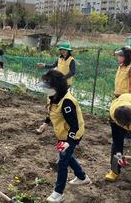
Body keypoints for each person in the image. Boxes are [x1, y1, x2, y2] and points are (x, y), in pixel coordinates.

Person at [37, 70, 90, 203]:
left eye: (48, 88)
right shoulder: (52, 97)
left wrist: (69, 141)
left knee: (62, 162)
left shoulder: (67, 103)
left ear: (57, 87)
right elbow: (51, 111)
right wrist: (45, 123)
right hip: (62, 133)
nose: (45, 90)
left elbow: (75, 125)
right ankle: (82, 177)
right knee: (67, 156)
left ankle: (58, 193)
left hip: (73, 134)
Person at [36, 42, 76, 134]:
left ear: (68, 51)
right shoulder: (59, 58)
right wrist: (44, 65)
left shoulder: (71, 60)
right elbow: (54, 66)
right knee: (54, 103)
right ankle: (46, 124)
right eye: (61, 50)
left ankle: (46, 124)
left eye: (64, 50)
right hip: (57, 83)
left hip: (65, 84)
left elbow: (73, 72)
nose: (63, 52)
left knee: (55, 103)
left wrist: (63, 78)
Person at [114, 46, 131, 146]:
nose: (118, 57)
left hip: (126, 97)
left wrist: (130, 95)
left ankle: (127, 138)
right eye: (118, 55)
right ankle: (120, 136)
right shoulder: (121, 66)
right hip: (118, 95)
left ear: (127, 56)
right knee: (118, 117)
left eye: (120, 56)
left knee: (126, 117)